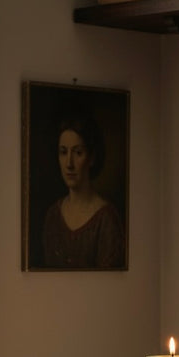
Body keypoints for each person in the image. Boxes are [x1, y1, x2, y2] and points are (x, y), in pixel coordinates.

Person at [42, 113, 125, 269]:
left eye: (78, 152)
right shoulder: (53, 215)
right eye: (63, 152)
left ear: (91, 157)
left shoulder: (106, 219)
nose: (69, 164)